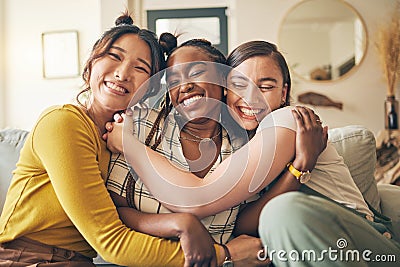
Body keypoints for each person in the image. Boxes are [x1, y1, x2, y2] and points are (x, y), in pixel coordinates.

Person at [0, 12, 223, 267]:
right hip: (27, 259)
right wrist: (226, 256)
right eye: (114, 57)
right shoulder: (63, 122)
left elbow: (129, 213)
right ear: (92, 63)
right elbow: (111, 241)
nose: (122, 74)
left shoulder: (123, 138)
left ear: (149, 89)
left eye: (140, 68)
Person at [104, 37, 325, 266]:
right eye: (174, 80)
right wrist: (178, 224)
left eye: (197, 73)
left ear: (223, 82)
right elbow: (115, 211)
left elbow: (243, 221)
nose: (185, 86)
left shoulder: (246, 140)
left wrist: (299, 167)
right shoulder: (143, 126)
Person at [225, 40, 400, 266]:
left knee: (281, 211)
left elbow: (269, 214)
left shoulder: (287, 120)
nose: (251, 97)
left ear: (283, 92)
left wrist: (300, 168)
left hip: (362, 242)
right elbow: (242, 224)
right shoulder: (233, 147)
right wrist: (300, 166)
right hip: (304, 248)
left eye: (266, 87)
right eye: (239, 85)